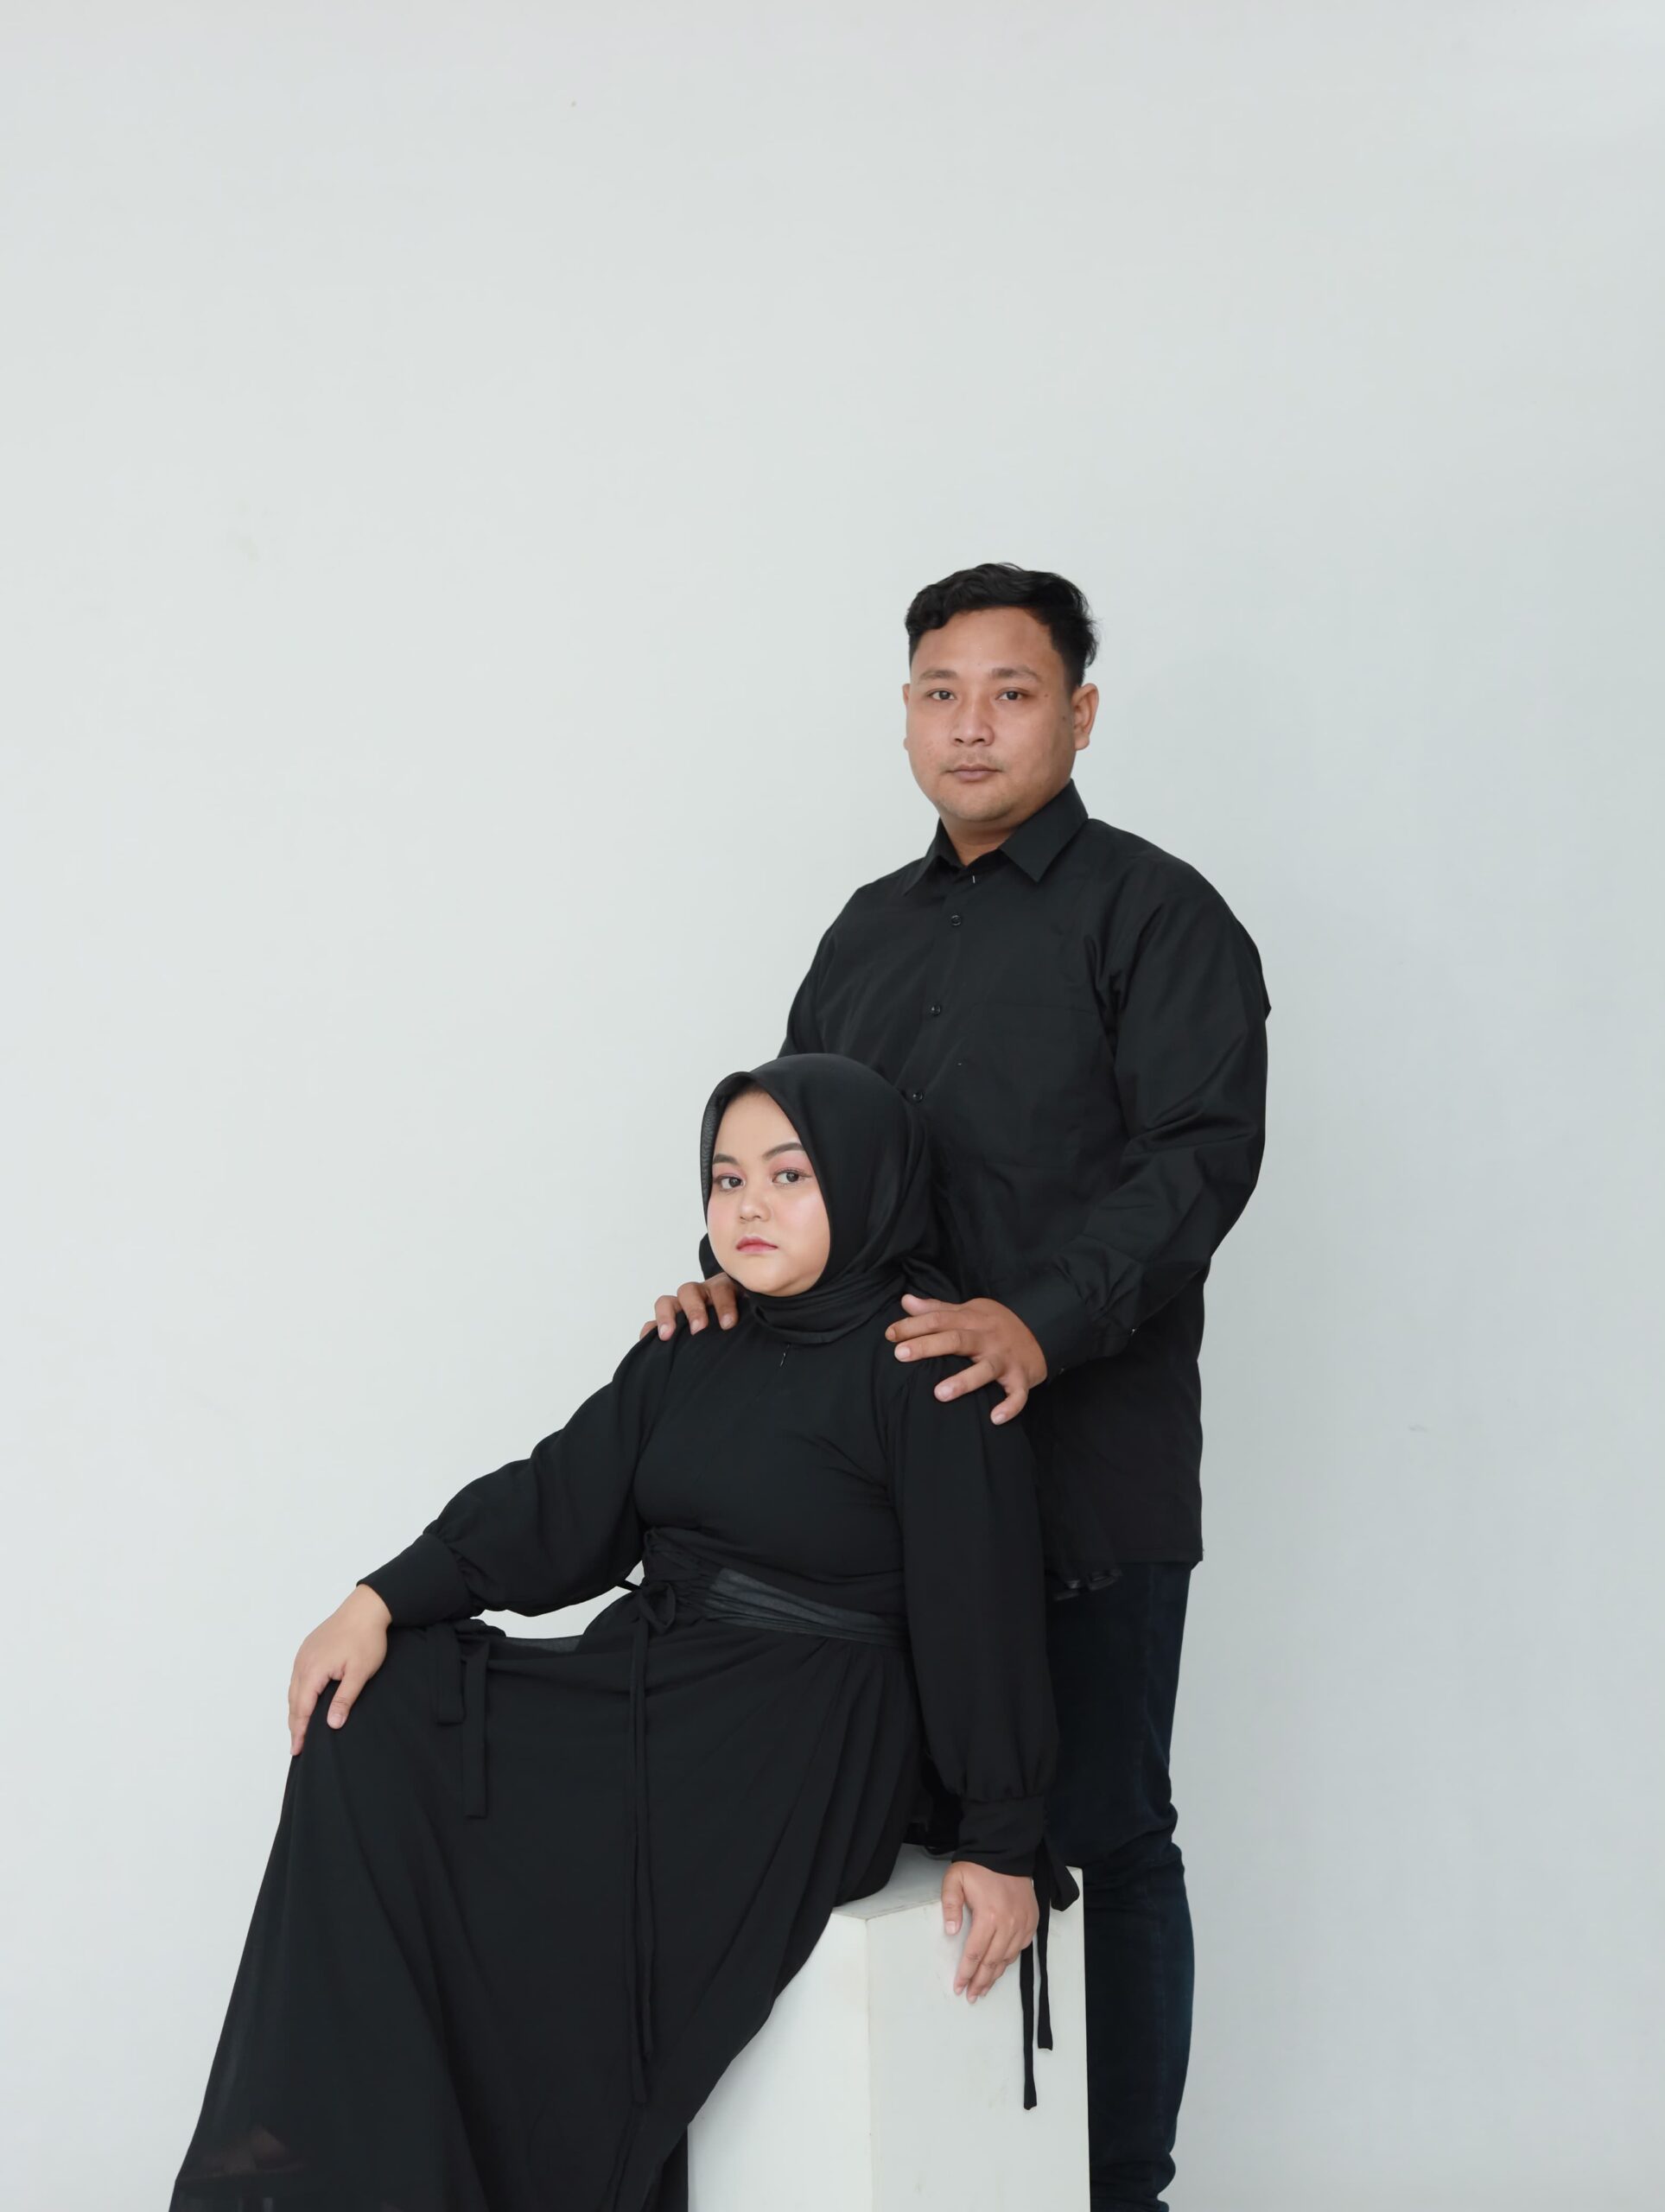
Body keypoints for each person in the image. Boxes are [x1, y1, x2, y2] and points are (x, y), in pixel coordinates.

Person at [168, 1051, 1077, 2212]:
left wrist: (1002, 1838)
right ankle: (344, 2168)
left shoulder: (926, 1364)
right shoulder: (693, 1344)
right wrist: (379, 1598)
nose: (747, 1206)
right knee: (379, 1718)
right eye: (727, 1178)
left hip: (799, 1734)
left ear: (867, 1182)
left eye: (789, 1175)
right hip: (659, 1677)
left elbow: (979, 1606)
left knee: (538, 1891)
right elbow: (561, 1500)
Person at [645, 563, 1271, 2212]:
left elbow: (1198, 1160)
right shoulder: (863, 933)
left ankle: (1118, 2189)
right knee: (901, 1852)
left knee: (1102, 1836)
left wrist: (1037, 1323)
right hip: (875, 1492)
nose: (971, 724)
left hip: (1085, 1478)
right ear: (907, 715)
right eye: (940, 692)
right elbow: (802, 1164)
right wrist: (735, 1274)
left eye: (1010, 690)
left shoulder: (1159, 917)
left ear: (1081, 712)